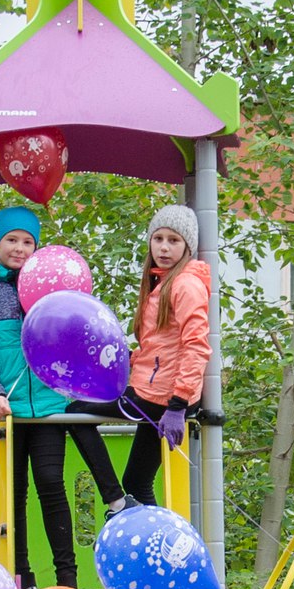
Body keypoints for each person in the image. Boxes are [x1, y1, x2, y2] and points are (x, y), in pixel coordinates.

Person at [0, 205, 125, 584]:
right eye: (12, 240)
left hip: (49, 404)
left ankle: (67, 579)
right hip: (6, 408)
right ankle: (21, 576)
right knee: (13, 494)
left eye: (28, 242)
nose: (19, 248)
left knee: (51, 484)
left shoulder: (51, 284)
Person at [119, 204, 212, 508]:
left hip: (163, 398)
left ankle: (114, 500)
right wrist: (129, 359)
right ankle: (155, 533)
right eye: (158, 239)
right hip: (156, 390)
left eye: (173, 240)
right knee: (136, 482)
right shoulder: (160, 283)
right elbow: (160, 347)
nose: (164, 247)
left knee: (74, 411)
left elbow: (196, 345)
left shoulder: (185, 284)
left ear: (187, 247)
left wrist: (178, 405)